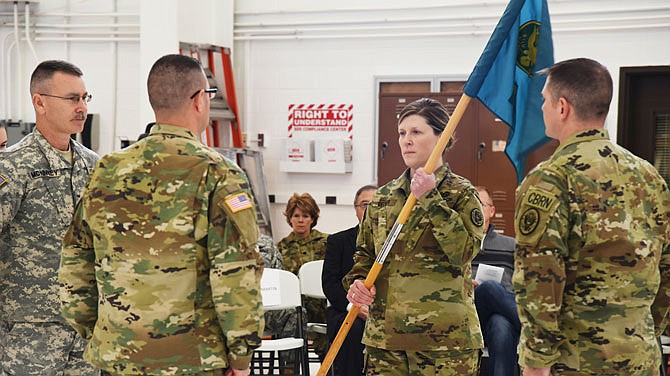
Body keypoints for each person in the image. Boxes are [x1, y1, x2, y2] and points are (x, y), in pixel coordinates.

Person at [58, 54, 264, 375]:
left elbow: (75, 262)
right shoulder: (218, 174)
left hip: (117, 355)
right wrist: (241, 356)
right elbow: (236, 272)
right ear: (199, 101)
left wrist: (102, 334)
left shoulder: (107, 170)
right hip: (192, 360)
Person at [513, 58, 670, 376]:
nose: (541, 108)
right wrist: (643, 333)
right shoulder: (650, 176)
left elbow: (539, 281)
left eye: (544, 100)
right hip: (642, 359)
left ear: (562, 107)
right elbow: (665, 269)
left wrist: (535, 364)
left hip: (577, 362)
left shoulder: (552, 178)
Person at [345, 98, 486, 375]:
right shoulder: (384, 197)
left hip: (445, 343)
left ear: (441, 137)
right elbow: (364, 255)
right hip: (385, 342)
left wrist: (430, 199)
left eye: (416, 132)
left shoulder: (461, 194)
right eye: (402, 133)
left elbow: (464, 252)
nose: (406, 141)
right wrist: (357, 283)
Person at [0, 60, 99, 375]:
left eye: (85, 98)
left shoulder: (95, 167)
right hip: (29, 336)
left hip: (84, 333)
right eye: (72, 98)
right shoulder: (14, 168)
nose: (81, 107)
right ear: (39, 102)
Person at [322, 184, 377, 375]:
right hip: (345, 309)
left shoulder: (395, 243)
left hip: (383, 310)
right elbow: (329, 284)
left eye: (375, 204)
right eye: (364, 205)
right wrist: (354, 307)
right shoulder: (338, 241)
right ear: (355, 209)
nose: (369, 210)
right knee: (352, 329)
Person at [471, 186, 520, 376]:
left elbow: (525, 284)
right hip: (469, 312)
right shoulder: (457, 245)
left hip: (501, 314)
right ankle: (531, 326)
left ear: (491, 211)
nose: (475, 208)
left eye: (480, 204)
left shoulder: (511, 246)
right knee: (490, 287)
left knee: (502, 325)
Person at [278, 192, 329, 359]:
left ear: (312, 219)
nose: (300, 220)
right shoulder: (281, 247)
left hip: (322, 306)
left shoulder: (327, 243)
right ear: (290, 218)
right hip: (294, 309)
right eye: (296, 215)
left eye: (305, 216)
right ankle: (290, 369)